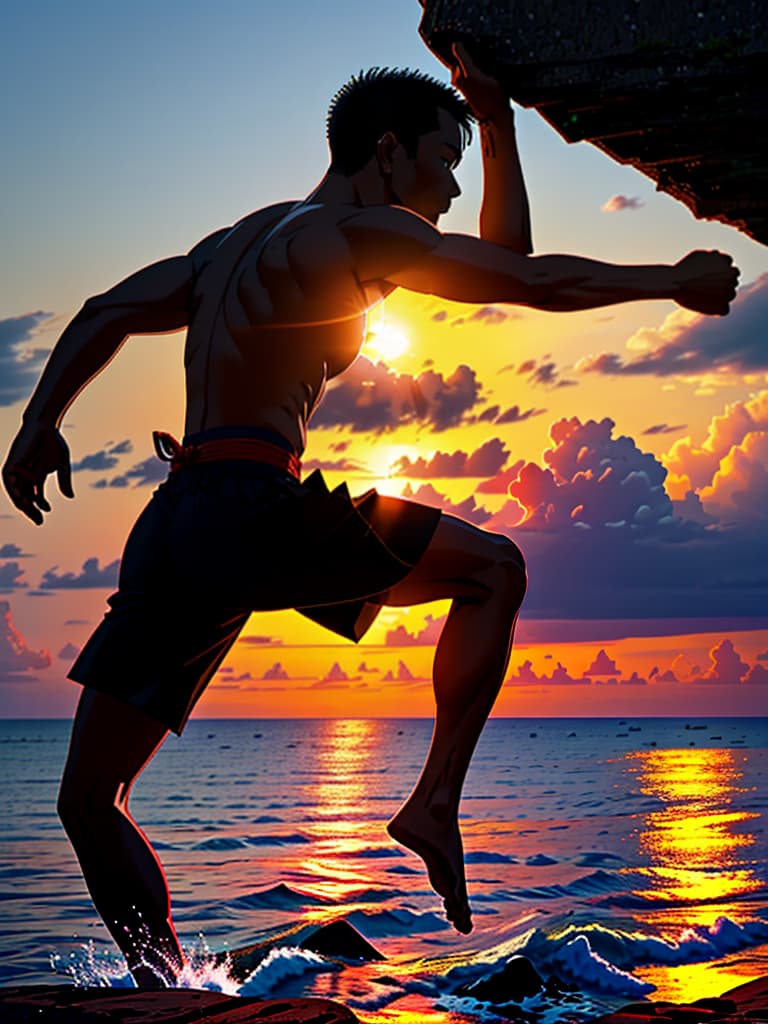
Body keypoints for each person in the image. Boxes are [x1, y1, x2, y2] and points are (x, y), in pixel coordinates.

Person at [2, 45, 738, 988]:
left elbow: (107, 308)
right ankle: (432, 804)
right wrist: (666, 281)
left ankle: (162, 992)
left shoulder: (234, 243)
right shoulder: (353, 240)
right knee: (495, 571)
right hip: (255, 508)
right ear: (388, 152)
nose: (444, 190)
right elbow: (531, 280)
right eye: (441, 165)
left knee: (89, 800)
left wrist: (37, 425)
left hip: (177, 520)